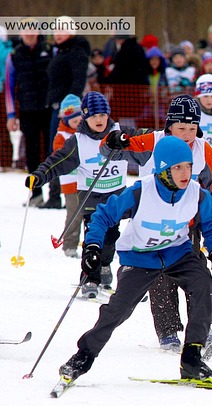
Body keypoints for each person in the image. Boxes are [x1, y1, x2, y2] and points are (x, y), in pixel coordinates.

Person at [58, 136, 212, 383]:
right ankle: (83, 357)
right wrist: (92, 246)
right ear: (162, 169)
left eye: (188, 166)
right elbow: (104, 215)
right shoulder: (141, 191)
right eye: (177, 167)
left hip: (177, 253)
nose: (185, 173)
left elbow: (211, 226)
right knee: (119, 309)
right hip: (139, 257)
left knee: (203, 285)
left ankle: (192, 356)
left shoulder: (197, 194)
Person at [100, 94, 212, 351]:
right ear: (169, 126)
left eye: (192, 129)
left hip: (188, 223)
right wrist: (112, 141)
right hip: (151, 222)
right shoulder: (153, 141)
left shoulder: (203, 150)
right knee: (160, 278)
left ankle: (203, 327)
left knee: (197, 275)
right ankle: (168, 331)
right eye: (181, 128)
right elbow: (113, 149)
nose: (187, 134)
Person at [25, 91, 140, 296]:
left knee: (111, 236)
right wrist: (40, 176)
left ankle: (105, 265)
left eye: (103, 115)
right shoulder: (78, 141)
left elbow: (146, 139)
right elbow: (58, 161)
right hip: (91, 197)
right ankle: (89, 277)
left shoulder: (119, 132)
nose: (99, 120)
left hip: (115, 196)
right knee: (93, 237)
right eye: (94, 115)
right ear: (86, 116)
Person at [45, 16, 91, 209]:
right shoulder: (62, 51)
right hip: (57, 106)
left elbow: (78, 82)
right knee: (55, 149)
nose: (58, 34)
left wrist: (69, 111)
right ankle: (55, 194)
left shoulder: (76, 52)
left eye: (62, 30)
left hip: (68, 111)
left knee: (63, 150)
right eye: (56, 30)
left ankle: (63, 195)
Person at [5, 22, 52, 206]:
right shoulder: (14, 56)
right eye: (26, 30)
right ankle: (36, 193)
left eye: (33, 30)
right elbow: (9, 87)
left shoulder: (49, 51)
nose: (29, 34)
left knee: (52, 151)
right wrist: (11, 115)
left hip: (48, 110)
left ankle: (55, 194)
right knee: (32, 153)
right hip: (27, 111)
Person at [53, 94, 84, 258]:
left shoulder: (87, 134)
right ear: (65, 119)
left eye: (79, 120)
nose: (77, 124)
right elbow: (59, 156)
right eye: (73, 121)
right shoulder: (62, 137)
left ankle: (93, 244)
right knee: (74, 213)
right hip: (71, 184)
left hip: (87, 182)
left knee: (91, 214)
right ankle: (70, 244)